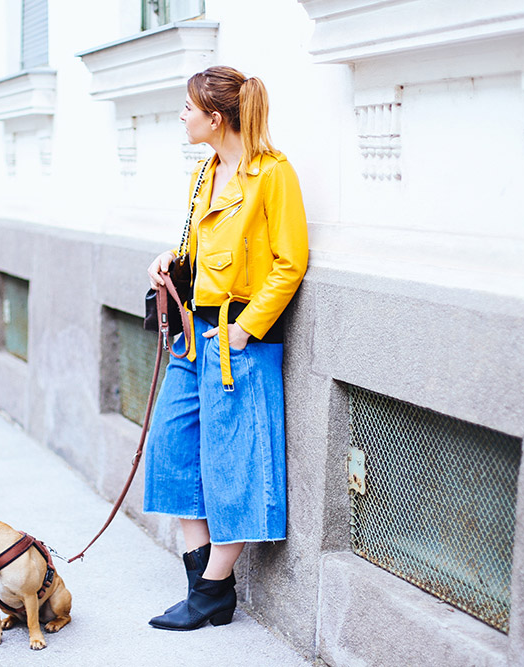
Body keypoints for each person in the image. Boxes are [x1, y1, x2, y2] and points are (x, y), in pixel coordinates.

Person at [143, 66, 308, 631]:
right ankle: (202, 582)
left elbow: (290, 261)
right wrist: (172, 259)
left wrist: (246, 329)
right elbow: (203, 248)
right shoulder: (205, 172)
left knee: (234, 465)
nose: (182, 117)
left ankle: (212, 593)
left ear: (216, 118)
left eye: (189, 108)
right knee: (172, 447)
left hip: (236, 342)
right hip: (193, 335)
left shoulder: (272, 174)